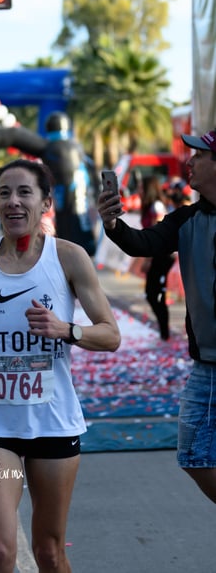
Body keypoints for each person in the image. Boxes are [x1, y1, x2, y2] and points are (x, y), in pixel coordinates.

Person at [0, 158, 121, 572]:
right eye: (5, 193)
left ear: (46, 203)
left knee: (49, 553)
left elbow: (110, 335)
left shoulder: (69, 258)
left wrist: (65, 330)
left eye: (25, 193)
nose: (13, 202)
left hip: (53, 430)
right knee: (0, 551)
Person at [97, 129, 216, 504]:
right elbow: (142, 243)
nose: (189, 162)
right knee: (193, 455)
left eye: (198, 156)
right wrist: (113, 224)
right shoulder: (186, 219)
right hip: (206, 366)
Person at [139, 175, 175, 340]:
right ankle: (164, 332)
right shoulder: (149, 207)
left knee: (155, 294)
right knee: (152, 294)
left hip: (161, 257)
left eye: (141, 187)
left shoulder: (156, 206)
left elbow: (158, 234)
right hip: (156, 257)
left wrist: (148, 259)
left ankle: (165, 333)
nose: (139, 191)